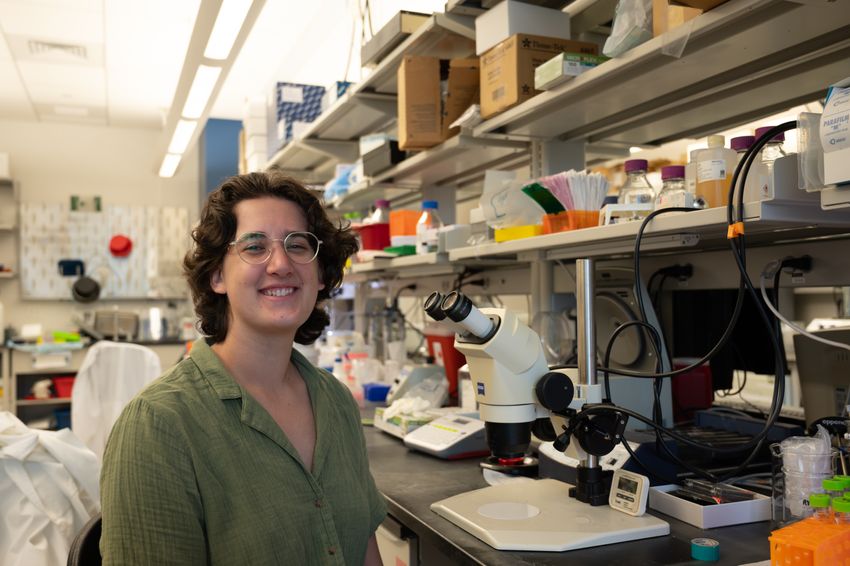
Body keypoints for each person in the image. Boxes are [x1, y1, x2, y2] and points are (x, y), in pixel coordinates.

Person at [100, 172, 386, 565]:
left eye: (298, 245)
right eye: (254, 247)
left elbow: (364, 550)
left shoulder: (336, 401)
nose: (281, 264)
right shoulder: (158, 426)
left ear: (320, 274)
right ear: (217, 275)